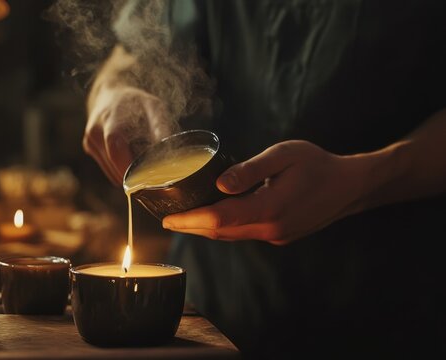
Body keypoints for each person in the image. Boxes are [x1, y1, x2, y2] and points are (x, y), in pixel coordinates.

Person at [82, 1, 446, 358]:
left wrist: (367, 179)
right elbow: (130, 52)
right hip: (213, 310)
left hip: (382, 303)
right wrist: (111, 90)